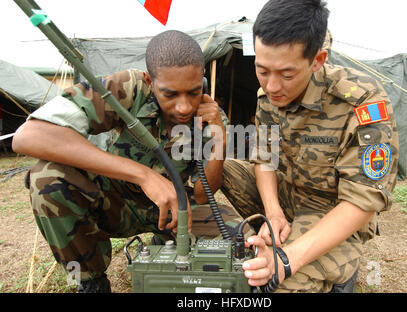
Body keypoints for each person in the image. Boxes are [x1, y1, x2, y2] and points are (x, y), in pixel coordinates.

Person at [12, 30, 239, 293]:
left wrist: (219, 138)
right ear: (149, 81)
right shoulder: (126, 88)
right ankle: (90, 282)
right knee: (47, 178)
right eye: (170, 94)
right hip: (116, 202)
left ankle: (165, 242)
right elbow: (28, 136)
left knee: (239, 245)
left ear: (204, 82)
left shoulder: (210, 115)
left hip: (180, 211)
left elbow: (202, 194)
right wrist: (144, 175)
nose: (184, 107)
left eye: (193, 92)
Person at [221, 0, 399, 293]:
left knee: (275, 284)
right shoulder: (267, 96)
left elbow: (364, 200)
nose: (272, 85)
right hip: (287, 197)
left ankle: (330, 260)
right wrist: (274, 211)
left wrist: (287, 259)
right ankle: (277, 231)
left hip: (330, 211)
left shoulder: (363, 103)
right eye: (262, 70)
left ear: (318, 60)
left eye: (287, 74)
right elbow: (265, 158)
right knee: (220, 167)